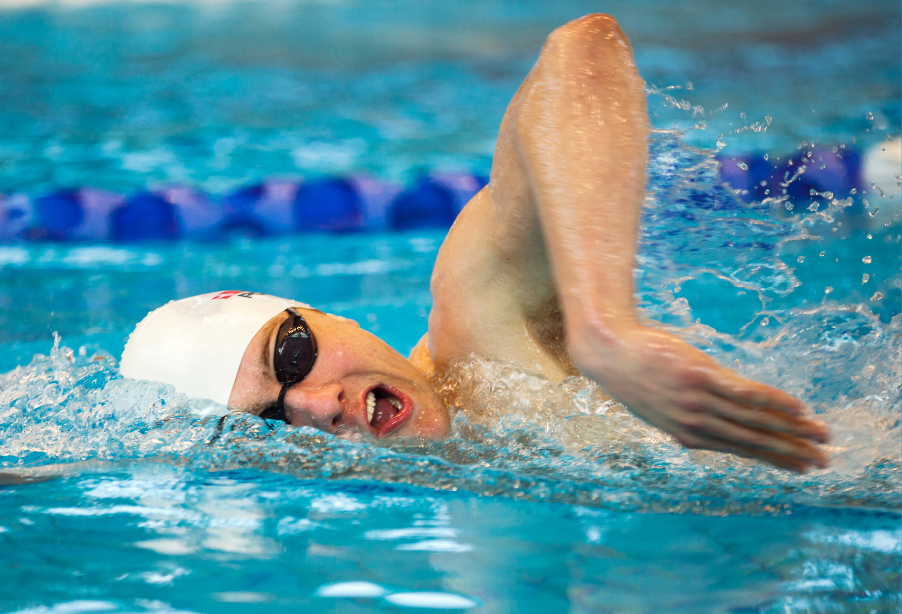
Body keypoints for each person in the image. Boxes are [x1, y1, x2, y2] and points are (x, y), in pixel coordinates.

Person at [121, 14, 830, 473]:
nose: (315, 406)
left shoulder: (485, 321)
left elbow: (583, 49)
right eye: (270, 423)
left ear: (329, 314)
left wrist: (601, 326)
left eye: (293, 355)